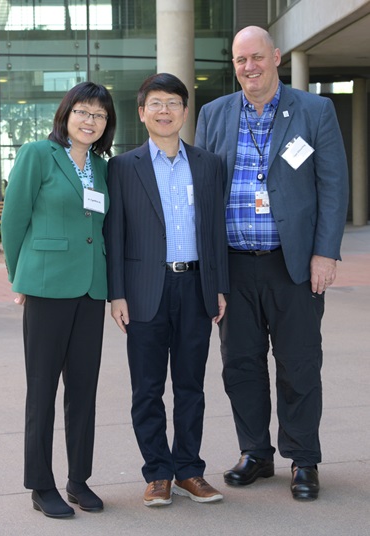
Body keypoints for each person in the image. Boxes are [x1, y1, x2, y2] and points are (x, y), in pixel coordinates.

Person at [195, 26, 349, 501]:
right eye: (241, 60)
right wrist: (210, 273)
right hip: (234, 265)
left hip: (294, 265)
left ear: (276, 57)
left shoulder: (314, 110)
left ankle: (304, 459)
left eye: (257, 57)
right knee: (240, 365)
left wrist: (325, 252)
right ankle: (256, 453)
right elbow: (203, 194)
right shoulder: (213, 113)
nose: (249, 67)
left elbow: (333, 184)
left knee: (299, 364)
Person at [105, 73, 229, 507]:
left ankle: (190, 471)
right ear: (142, 113)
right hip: (143, 292)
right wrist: (116, 293)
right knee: (147, 388)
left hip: (195, 287)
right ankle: (157, 472)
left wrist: (219, 287)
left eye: (173, 103)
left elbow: (215, 231)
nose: (164, 110)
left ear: (184, 110)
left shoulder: (209, 164)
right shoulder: (122, 167)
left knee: (192, 386)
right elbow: (114, 234)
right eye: (155, 103)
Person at [1, 81, 116, 518]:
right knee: (42, 389)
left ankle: (78, 480)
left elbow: (100, 228)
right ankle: (41, 484)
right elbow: (14, 219)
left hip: (90, 288)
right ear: (66, 114)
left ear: (107, 124)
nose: (91, 121)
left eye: (100, 115)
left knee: (84, 390)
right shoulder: (37, 154)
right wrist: (19, 277)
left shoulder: (103, 168)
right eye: (83, 112)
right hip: (47, 287)